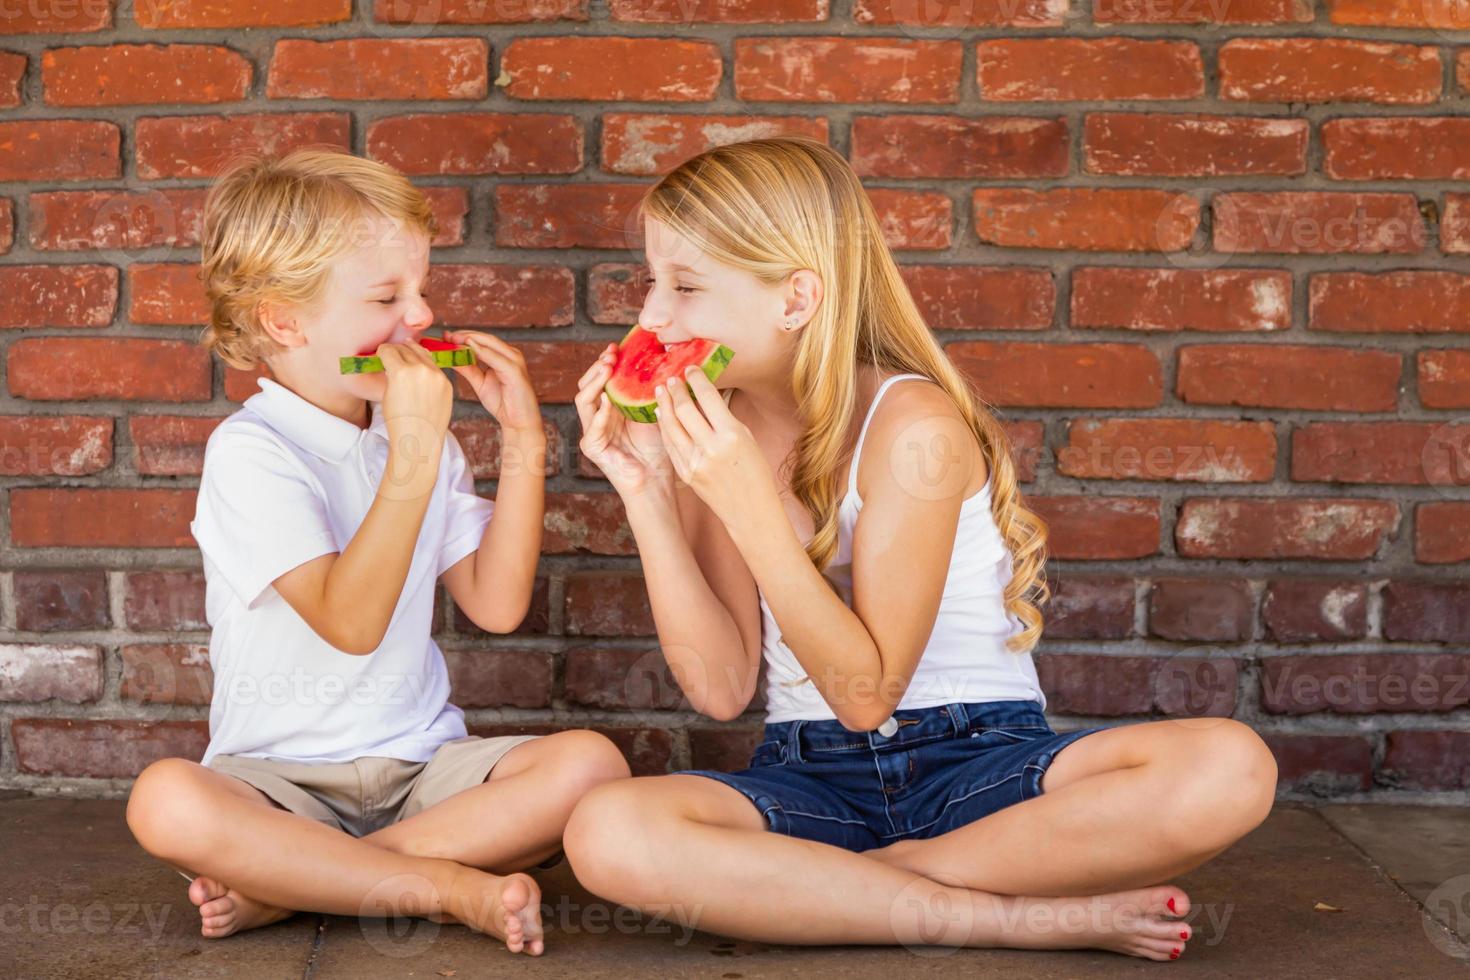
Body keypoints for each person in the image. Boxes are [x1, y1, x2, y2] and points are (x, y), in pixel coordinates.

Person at [563, 137, 1278, 961]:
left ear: (796, 299)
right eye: (651, 282)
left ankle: (860, 890)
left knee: (1231, 766)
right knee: (607, 830)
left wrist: (749, 506)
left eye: (685, 287)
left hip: (978, 766)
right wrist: (650, 494)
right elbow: (721, 688)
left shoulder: (914, 428)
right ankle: (1004, 915)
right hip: (808, 774)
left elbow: (867, 696)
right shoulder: (718, 433)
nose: (652, 316)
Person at [124, 148, 630, 955]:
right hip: (275, 784)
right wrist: (416, 456)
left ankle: (298, 885)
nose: (422, 315)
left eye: (421, 289)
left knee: (593, 767)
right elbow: (349, 621)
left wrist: (525, 438)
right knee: (166, 801)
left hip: (422, 772)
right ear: (285, 321)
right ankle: (437, 886)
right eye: (388, 296)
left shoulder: (413, 436)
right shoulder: (252, 452)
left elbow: (496, 608)